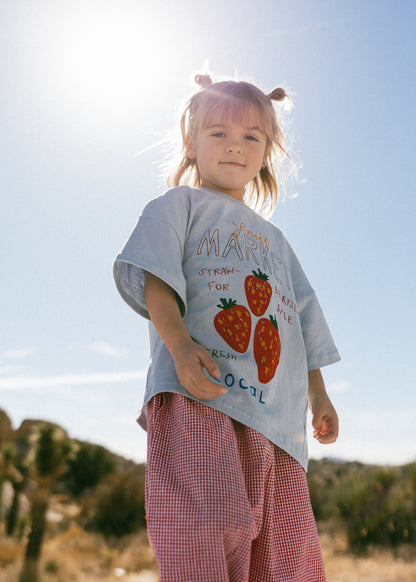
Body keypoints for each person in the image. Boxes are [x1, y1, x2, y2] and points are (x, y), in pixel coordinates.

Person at [113, 74, 340, 582]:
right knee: (206, 534)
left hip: (279, 425)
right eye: (218, 133)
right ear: (191, 144)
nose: (234, 145)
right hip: (203, 396)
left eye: (251, 137)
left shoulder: (277, 242)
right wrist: (179, 345)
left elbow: (303, 324)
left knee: (284, 557)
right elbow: (156, 278)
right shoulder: (178, 206)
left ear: (265, 155)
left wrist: (318, 395)